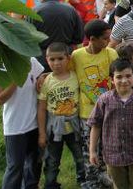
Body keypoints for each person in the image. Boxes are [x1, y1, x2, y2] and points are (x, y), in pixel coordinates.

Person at [88, 59, 133, 189]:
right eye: (119, 77)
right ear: (112, 79)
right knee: (118, 185)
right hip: (112, 154)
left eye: (128, 76)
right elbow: (96, 125)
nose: (124, 80)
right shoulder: (104, 100)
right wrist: (92, 150)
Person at [70, 19, 119, 188]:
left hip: (110, 110)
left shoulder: (111, 54)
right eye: (104, 38)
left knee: (108, 147)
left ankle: (105, 176)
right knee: (89, 149)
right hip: (88, 113)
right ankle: (91, 182)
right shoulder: (77, 56)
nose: (108, 41)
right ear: (92, 39)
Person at [0, 58, 44, 189]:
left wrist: (43, 78)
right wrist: (18, 77)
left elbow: (40, 75)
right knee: (15, 167)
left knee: (34, 163)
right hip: (15, 126)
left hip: (34, 123)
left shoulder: (30, 60)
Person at [37, 43, 86, 188]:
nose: (56, 63)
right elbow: (41, 108)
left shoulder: (75, 76)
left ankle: (83, 180)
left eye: (60, 59)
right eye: (52, 60)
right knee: (52, 160)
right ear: (47, 60)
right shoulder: (46, 82)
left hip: (73, 126)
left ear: (68, 58)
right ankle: (51, 184)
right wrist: (41, 134)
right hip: (54, 128)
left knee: (80, 156)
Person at [31, 0, 84, 71]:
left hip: (42, 60)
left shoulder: (33, 12)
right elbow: (79, 37)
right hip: (66, 57)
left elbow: (29, 38)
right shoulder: (70, 10)